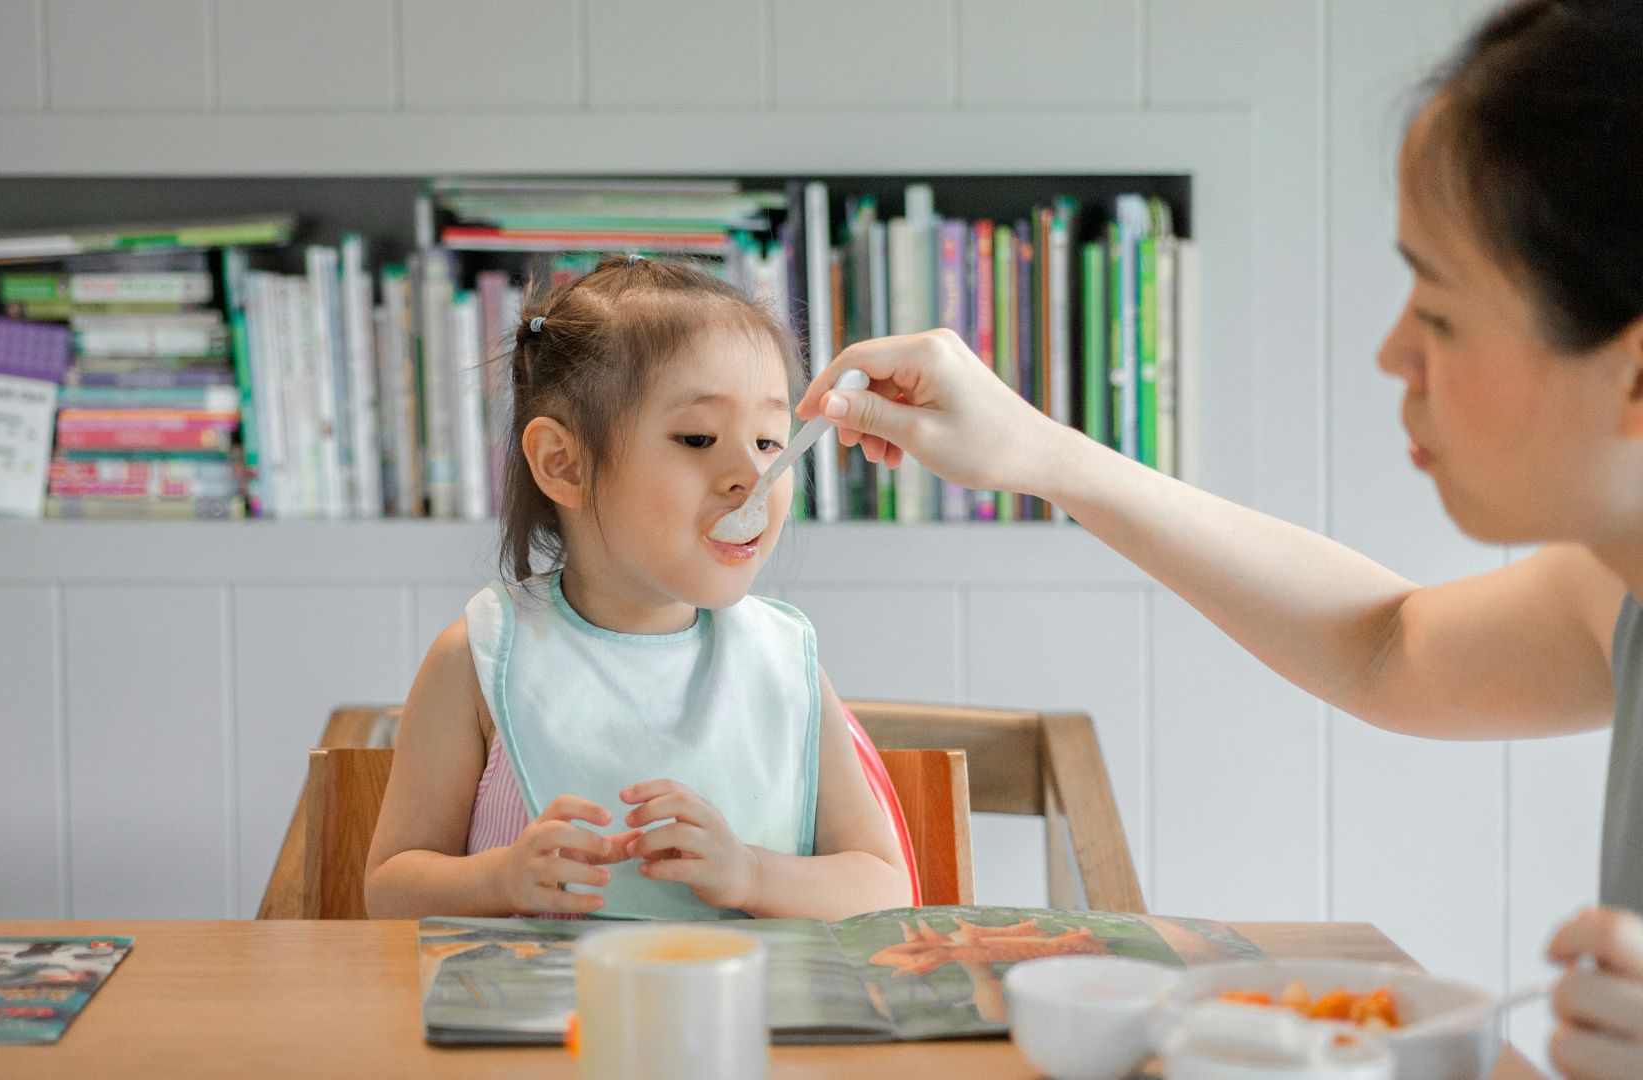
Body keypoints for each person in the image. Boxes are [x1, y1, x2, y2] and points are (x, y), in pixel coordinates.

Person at [798, 3, 1642, 1075]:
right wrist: (1038, 453)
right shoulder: (1616, 593)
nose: (1393, 353)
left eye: (1437, 310)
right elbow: (1387, 644)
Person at [365, 256, 910, 922]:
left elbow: (885, 889)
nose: (752, 476)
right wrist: (500, 880)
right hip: (542, 1024)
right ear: (563, 465)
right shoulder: (476, 660)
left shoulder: (785, 661)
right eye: (698, 437)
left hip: (753, 1021)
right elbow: (389, 891)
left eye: (771, 441)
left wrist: (748, 874)